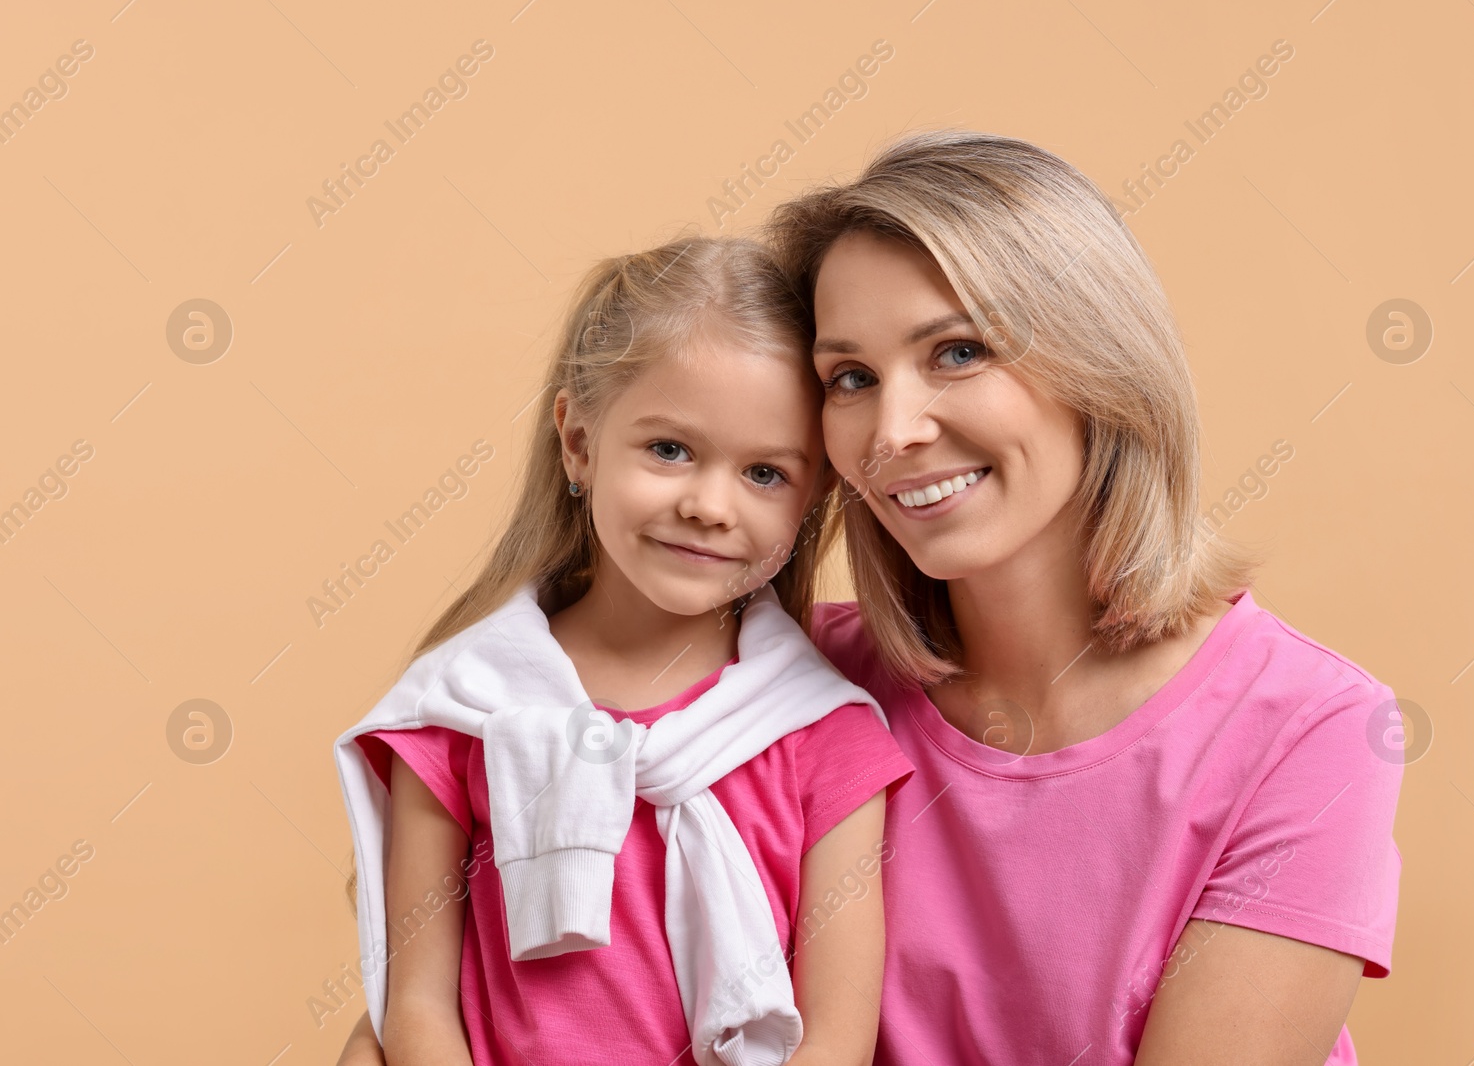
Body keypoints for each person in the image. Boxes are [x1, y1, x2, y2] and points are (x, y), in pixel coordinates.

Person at [763, 128, 1404, 1065]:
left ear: (1098, 360)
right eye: (850, 378)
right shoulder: (791, 674)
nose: (892, 432)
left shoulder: (1312, 730)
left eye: (957, 351)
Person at [330, 236, 912, 1066]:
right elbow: (417, 1003)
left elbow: (836, 1039)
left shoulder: (826, 736)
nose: (711, 505)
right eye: (670, 449)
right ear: (578, 441)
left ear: (812, 493)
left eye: (765, 473)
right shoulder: (463, 708)